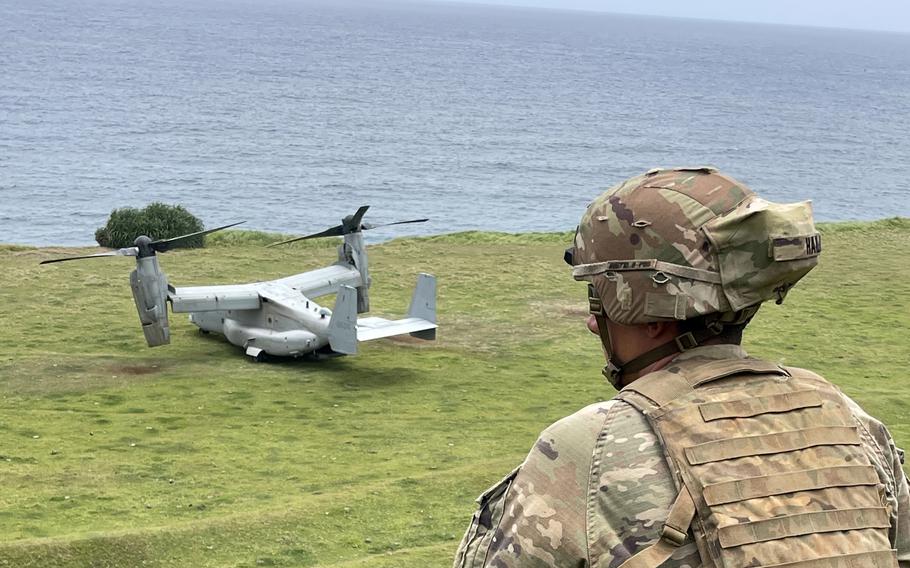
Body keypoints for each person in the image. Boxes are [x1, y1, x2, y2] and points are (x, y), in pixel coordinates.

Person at [453, 167, 910, 568]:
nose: (594, 322)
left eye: (598, 298)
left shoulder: (584, 447)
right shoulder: (848, 418)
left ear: (644, 310)